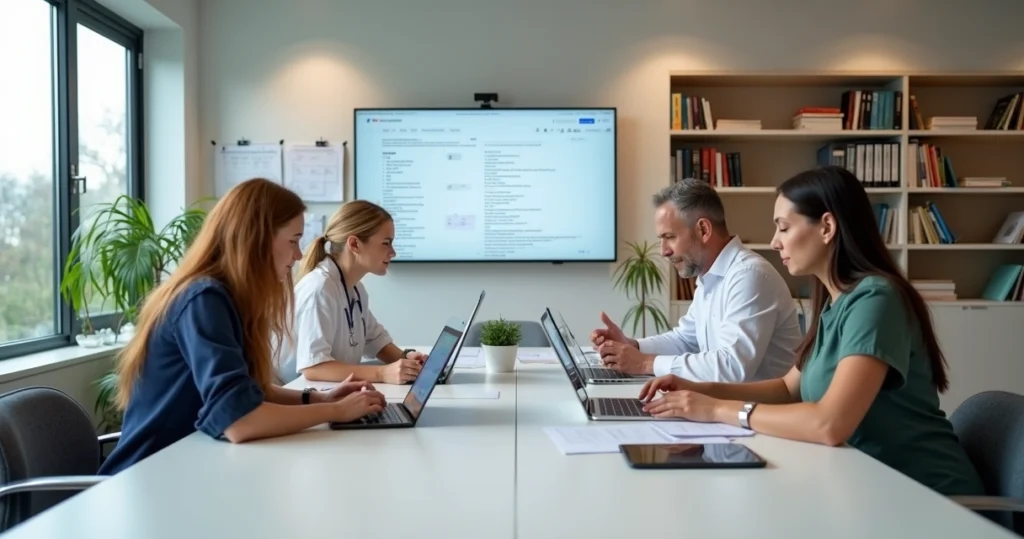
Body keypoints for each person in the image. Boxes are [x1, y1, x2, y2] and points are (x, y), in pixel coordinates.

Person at [638, 166, 984, 496]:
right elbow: (788, 388)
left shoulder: (877, 301)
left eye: (783, 228)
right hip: (862, 482)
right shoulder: (835, 304)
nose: (774, 242)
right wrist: (698, 390)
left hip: (926, 497)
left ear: (827, 227)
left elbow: (829, 424)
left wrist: (715, 410)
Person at [99, 178, 386, 476]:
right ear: (257, 239)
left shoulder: (229, 298)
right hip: (147, 476)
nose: (299, 254)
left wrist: (316, 398)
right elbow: (239, 420)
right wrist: (335, 411)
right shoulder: (203, 299)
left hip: (191, 465)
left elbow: (247, 392)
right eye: (293, 240)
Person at [592, 178, 802, 383]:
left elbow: (732, 368)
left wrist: (645, 363)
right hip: (731, 409)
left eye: (670, 237)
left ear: (703, 230)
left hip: (762, 414)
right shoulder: (710, 276)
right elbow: (686, 340)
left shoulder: (749, 275)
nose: (664, 251)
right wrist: (633, 346)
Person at [279, 200, 427, 385]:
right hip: (296, 398)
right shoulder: (319, 289)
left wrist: (407, 360)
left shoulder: (355, 289)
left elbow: (375, 340)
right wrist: (382, 373)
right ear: (355, 244)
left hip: (327, 394)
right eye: (386, 243)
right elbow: (313, 368)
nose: (393, 252)